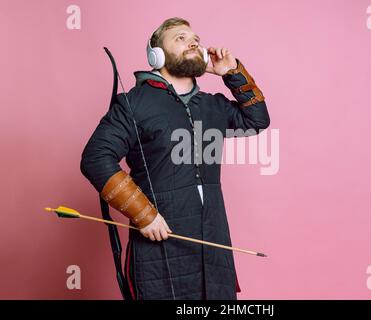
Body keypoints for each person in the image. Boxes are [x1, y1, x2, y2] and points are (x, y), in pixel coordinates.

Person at [80, 17, 270, 300]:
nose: (192, 41)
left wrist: (231, 71)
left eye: (195, 39)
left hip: (213, 248)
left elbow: (257, 120)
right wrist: (143, 214)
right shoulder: (134, 104)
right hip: (161, 249)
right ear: (156, 55)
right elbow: (96, 157)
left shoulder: (212, 105)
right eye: (180, 38)